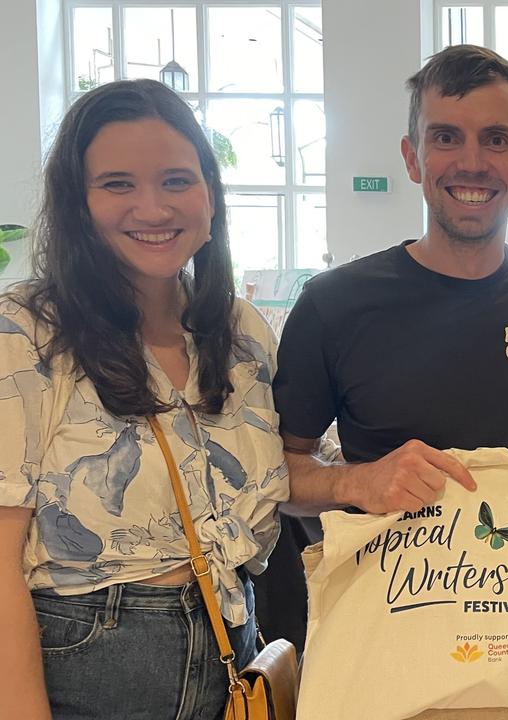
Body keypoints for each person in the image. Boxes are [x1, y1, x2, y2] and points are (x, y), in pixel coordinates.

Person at [0, 79, 288, 719]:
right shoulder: (27, 331)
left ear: (211, 197)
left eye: (177, 180)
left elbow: (270, 477)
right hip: (89, 658)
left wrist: (365, 480)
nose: (154, 209)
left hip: (228, 646)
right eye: (118, 184)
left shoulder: (241, 332)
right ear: (78, 202)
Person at [272, 43, 508, 516]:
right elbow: (276, 475)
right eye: (446, 138)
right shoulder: (334, 305)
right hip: (387, 587)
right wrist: (357, 482)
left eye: (495, 139)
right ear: (412, 158)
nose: (471, 162)